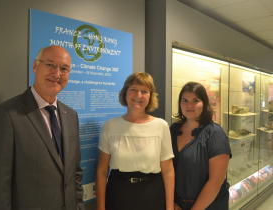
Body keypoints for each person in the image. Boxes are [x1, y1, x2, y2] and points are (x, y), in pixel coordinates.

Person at [0, 46, 85, 210]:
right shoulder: (6, 115)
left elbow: (75, 172)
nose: (57, 74)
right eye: (50, 65)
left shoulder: (71, 115)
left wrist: (79, 205)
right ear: (35, 66)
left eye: (64, 69)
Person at [96, 72, 175, 210]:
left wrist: (169, 208)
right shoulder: (110, 125)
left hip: (152, 195)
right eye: (133, 89)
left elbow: (168, 172)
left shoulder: (161, 126)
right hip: (118, 195)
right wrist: (100, 208)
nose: (138, 95)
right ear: (125, 93)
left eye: (144, 91)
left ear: (150, 97)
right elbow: (102, 171)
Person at [170, 82, 231, 210]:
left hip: (208, 205)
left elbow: (216, 182)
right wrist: (171, 204)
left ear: (204, 103)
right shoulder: (173, 130)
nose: (189, 105)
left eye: (195, 100)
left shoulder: (214, 133)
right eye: (184, 100)